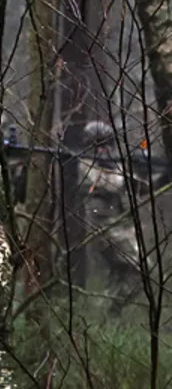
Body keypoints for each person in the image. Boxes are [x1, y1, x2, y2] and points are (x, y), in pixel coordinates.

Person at [80, 120, 151, 314]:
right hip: (102, 225)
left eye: (106, 144)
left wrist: (141, 170)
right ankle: (110, 310)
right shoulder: (83, 162)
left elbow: (143, 188)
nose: (103, 149)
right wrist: (125, 172)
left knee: (122, 273)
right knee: (140, 269)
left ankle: (106, 316)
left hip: (119, 223)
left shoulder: (111, 163)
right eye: (98, 145)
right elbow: (108, 183)